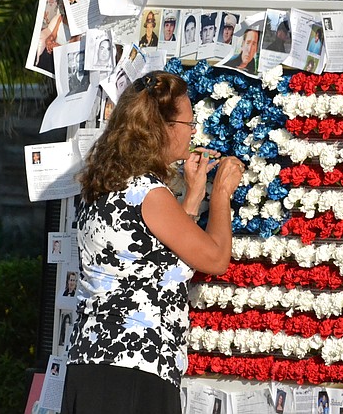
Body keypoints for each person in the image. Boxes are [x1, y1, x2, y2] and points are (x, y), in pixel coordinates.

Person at [62, 71, 244, 414]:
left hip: (89, 363)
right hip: (134, 370)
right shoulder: (149, 193)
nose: (193, 132)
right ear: (164, 128)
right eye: (189, 123)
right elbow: (216, 258)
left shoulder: (103, 186)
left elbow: (153, 256)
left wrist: (193, 197)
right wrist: (221, 193)